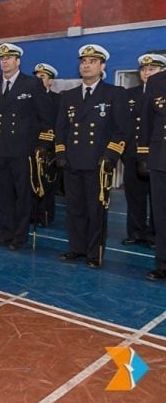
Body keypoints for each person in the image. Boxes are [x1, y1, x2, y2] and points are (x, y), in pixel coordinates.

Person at [55, 44, 128, 268]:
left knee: (96, 210)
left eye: (92, 61)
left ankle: (94, 253)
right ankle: (76, 248)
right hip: (73, 161)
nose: (86, 65)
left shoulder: (114, 94)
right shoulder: (69, 96)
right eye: (83, 61)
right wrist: (61, 152)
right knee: (74, 208)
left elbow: (121, 130)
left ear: (102, 66)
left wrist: (109, 157)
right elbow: (61, 128)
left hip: (98, 162)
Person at [0, 43, 54, 250]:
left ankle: (19, 236)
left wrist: (42, 144)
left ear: (18, 61)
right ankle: (4, 232)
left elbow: (47, 117)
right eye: (2, 58)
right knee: (2, 193)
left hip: (23, 149)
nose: (4, 61)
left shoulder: (32, 84)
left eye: (9, 58)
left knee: (23, 194)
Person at [123, 54, 163, 247]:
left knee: (157, 198)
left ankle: (155, 235)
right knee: (134, 196)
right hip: (132, 153)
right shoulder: (129, 94)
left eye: (152, 69)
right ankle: (136, 232)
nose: (147, 72)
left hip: (156, 155)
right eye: (144, 69)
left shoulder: (161, 93)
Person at [137, 64, 166, 280]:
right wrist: (144, 155)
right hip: (160, 156)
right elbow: (146, 121)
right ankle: (163, 263)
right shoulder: (156, 81)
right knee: (161, 214)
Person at [32, 63, 61, 226]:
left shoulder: (58, 99)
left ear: (50, 81)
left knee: (48, 183)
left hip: (49, 149)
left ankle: (45, 214)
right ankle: (32, 214)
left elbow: (59, 125)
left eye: (42, 77)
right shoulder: (29, 98)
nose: (38, 79)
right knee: (30, 182)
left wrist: (51, 147)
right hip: (30, 147)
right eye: (36, 76)